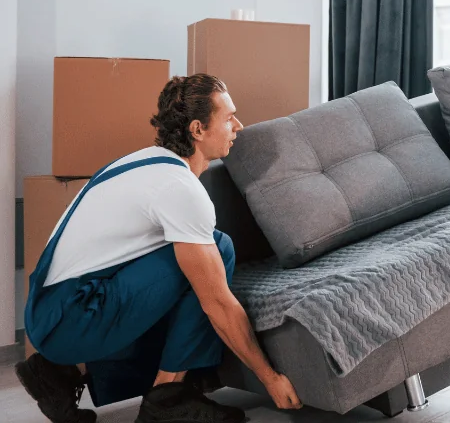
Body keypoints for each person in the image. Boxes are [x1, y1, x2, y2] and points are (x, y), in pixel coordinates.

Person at [17, 74, 303, 423]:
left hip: (48, 311)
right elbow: (216, 303)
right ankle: (167, 398)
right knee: (217, 248)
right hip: (70, 318)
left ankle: (57, 374)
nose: (238, 126)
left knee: (195, 255)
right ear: (198, 129)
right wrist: (270, 378)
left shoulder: (144, 161)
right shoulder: (179, 189)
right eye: (229, 118)